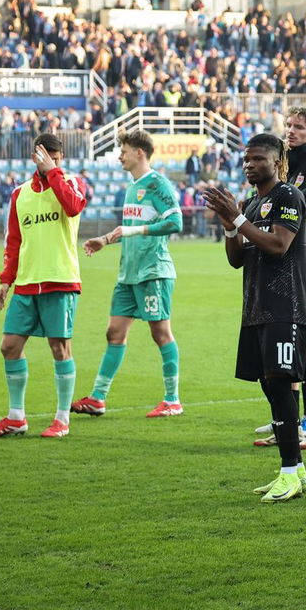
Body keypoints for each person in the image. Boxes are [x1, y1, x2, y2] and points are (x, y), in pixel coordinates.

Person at [204, 135, 306, 502]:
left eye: (258, 159)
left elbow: (279, 245)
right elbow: (237, 259)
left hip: (285, 307)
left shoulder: (288, 196)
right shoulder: (251, 204)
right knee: (270, 386)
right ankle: (297, 471)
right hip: (256, 308)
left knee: (280, 386)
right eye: (246, 159)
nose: (250, 165)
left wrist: (237, 218)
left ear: (277, 160)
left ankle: (288, 472)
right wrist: (230, 225)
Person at [74, 130, 186, 420]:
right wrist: (105, 240)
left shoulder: (157, 184)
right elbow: (129, 228)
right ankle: (97, 398)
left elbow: (176, 222)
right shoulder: (131, 187)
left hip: (153, 272)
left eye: (123, 151)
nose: (119, 156)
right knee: (114, 332)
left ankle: (172, 400)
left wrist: (133, 230)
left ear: (139, 152)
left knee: (160, 333)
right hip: (128, 274)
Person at [0, 134, 88, 440]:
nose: (52, 162)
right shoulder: (20, 194)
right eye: (46, 157)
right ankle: (16, 418)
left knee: (59, 348)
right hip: (27, 283)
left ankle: (62, 418)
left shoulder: (72, 183)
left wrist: (53, 173)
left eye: (57, 158)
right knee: (9, 346)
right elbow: (14, 241)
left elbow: (73, 207)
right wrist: (6, 280)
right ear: (35, 157)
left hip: (60, 280)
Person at [253, 105, 306, 448]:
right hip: (281, 264)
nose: (291, 130)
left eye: (299, 127)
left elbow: (299, 204)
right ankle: (290, 424)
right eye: (288, 125)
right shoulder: (285, 162)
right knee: (288, 346)